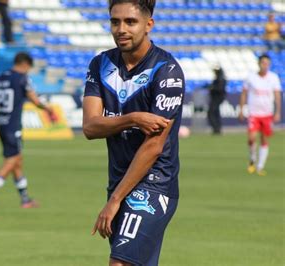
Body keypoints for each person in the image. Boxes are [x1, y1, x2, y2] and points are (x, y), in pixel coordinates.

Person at [83, 1, 185, 265]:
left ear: (148, 24)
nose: (121, 29)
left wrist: (115, 200)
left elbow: (154, 145)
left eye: (130, 22)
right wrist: (132, 119)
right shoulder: (100, 64)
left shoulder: (167, 71)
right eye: (115, 22)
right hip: (119, 180)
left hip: (154, 183)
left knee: (120, 263)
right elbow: (90, 127)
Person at [0, 52, 53, 209]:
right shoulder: (22, 78)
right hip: (13, 127)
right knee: (11, 161)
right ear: (25, 64)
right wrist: (47, 108)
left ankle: (25, 199)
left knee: (17, 161)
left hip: (1, 125)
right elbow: (35, 100)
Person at [239, 54, 282, 176]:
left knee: (264, 139)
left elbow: (277, 95)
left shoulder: (273, 78)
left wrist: (278, 111)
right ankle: (252, 159)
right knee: (252, 138)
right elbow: (244, 93)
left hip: (267, 113)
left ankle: (260, 166)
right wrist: (241, 109)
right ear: (259, 64)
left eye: (267, 63)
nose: (265, 66)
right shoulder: (251, 77)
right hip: (254, 113)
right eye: (263, 63)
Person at [207, 67, 227, 135]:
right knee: (215, 113)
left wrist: (212, 88)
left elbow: (220, 89)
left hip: (217, 99)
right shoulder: (218, 79)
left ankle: (216, 128)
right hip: (215, 98)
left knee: (212, 113)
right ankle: (216, 128)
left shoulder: (221, 79)